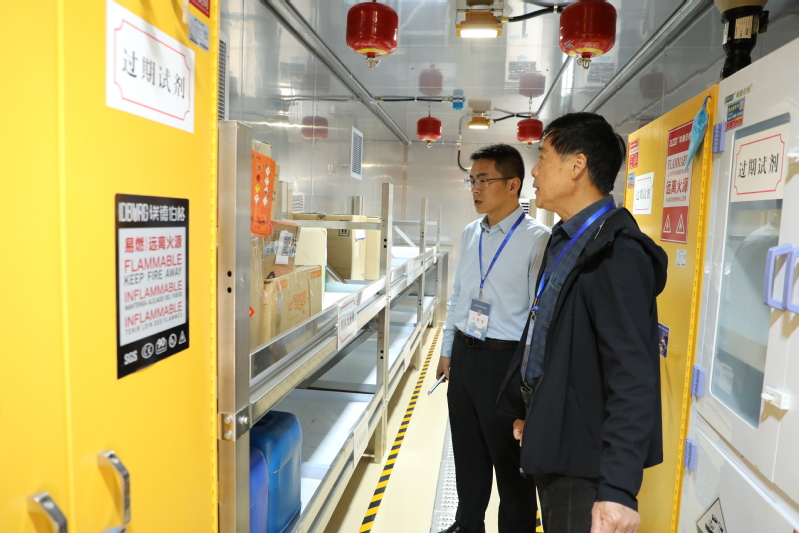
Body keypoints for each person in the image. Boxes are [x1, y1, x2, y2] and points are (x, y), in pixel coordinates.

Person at [496, 112, 668, 533]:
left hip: (585, 465)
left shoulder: (617, 255)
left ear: (577, 166)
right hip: (558, 440)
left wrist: (618, 490)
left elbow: (633, 377)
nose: (534, 171)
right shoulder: (568, 240)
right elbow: (553, 340)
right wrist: (535, 412)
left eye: (543, 158)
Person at [437, 144, 550, 533]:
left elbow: (538, 317)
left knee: (510, 463)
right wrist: (448, 351)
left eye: (484, 180)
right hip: (466, 355)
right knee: (467, 452)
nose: (475, 189)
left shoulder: (538, 239)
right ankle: (467, 524)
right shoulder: (471, 233)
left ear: (513, 185)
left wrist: (530, 381)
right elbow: (458, 295)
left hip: (505, 363)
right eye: (472, 181)